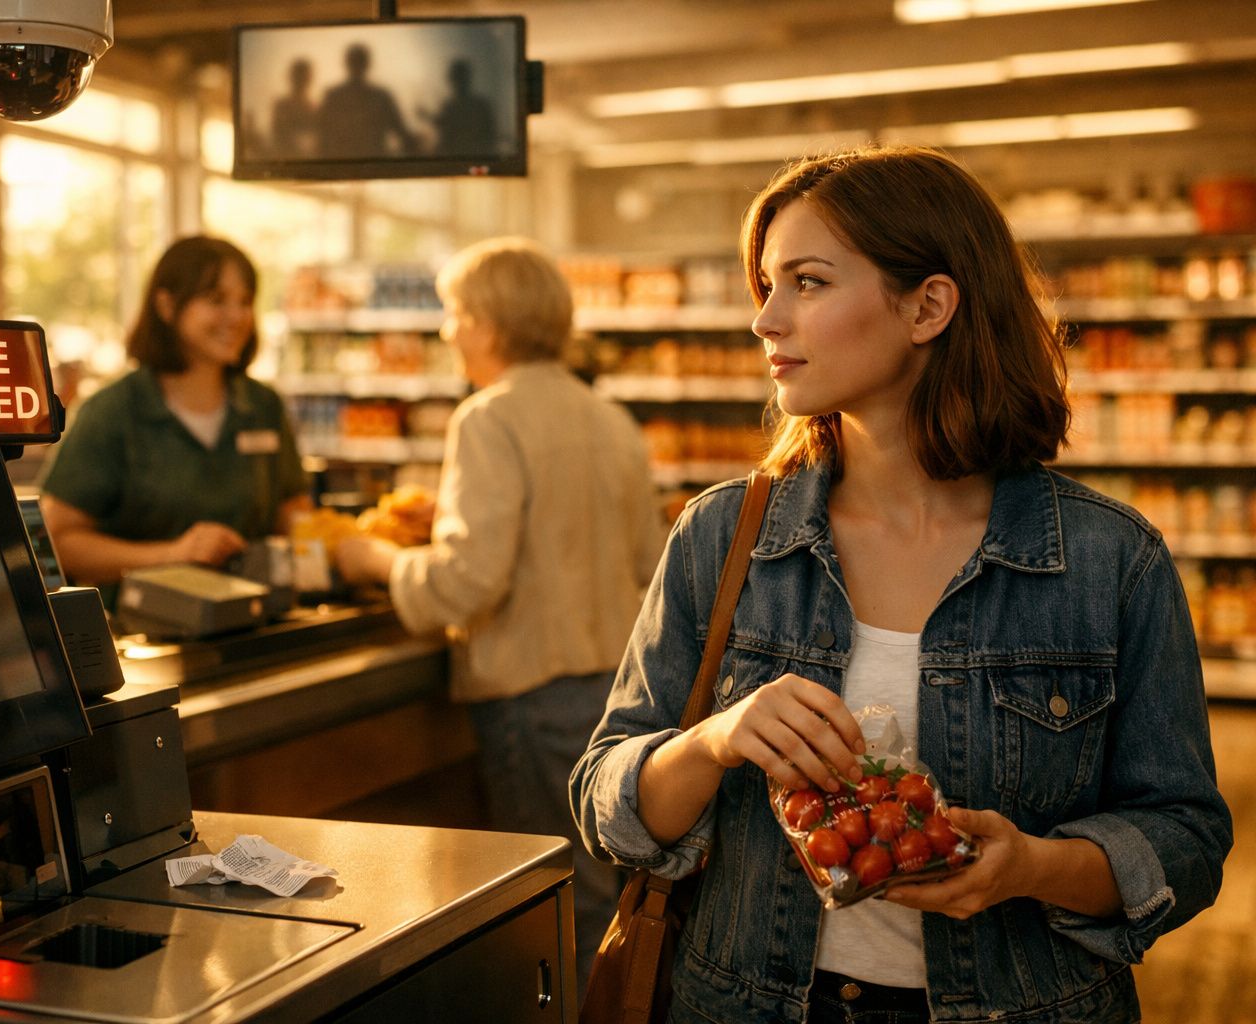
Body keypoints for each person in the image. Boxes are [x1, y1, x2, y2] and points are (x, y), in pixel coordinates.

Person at [570, 144, 1232, 1023]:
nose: (765, 320)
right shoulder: (723, 537)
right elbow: (604, 800)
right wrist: (714, 740)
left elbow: (1184, 838)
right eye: (764, 285)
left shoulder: (1111, 562)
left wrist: (1031, 867)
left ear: (928, 306)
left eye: (806, 282)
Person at [333, 237, 667, 998]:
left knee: (554, 907)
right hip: (617, 697)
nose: (448, 332)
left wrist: (375, 561)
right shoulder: (610, 419)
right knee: (611, 904)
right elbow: (651, 567)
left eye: (455, 314)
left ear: (486, 322)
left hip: (531, 700)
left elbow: (466, 583)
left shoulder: (488, 418)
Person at [38, 236, 309, 605]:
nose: (238, 317)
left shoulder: (264, 406)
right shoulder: (112, 412)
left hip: (257, 626)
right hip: (140, 639)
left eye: (245, 301)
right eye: (217, 300)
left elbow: (294, 516)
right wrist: (172, 555)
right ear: (166, 305)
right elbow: (56, 540)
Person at [315, 43, 419, 158]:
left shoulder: (333, 96)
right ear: (368, 64)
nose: (357, 66)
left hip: (347, 165)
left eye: (357, 62)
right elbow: (402, 134)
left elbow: (321, 137)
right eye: (356, 62)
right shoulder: (381, 97)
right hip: (372, 165)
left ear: (346, 64)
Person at [420, 58, 497, 156]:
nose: (454, 83)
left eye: (456, 78)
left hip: (470, 157)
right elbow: (443, 124)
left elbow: (490, 136)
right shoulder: (453, 105)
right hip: (457, 158)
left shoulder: (479, 105)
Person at [269, 58, 318, 159]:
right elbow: (278, 137)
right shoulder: (282, 106)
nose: (303, 82)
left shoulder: (313, 106)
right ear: (293, 78)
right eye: (300, 78)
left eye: (305, 78)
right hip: (286, 159)